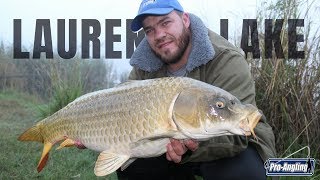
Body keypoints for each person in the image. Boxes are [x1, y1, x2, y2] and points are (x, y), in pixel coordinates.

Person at [117, 0, 276, 179]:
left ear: (185, 20)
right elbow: (124, 114)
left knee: (243, 172)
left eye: (165, 23)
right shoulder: (143, 64)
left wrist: (191, 146)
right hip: (169, 144)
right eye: (149, 30)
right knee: (132, 166)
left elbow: (239, 131)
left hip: (231, 144)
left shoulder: (226, 59)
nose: (159, 34)